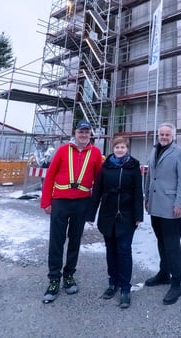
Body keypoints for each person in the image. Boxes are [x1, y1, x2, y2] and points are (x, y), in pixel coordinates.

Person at [40, 120, 103, 304]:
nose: (84, 135)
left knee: (75, 241)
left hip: (82, 203)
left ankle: (69, 275)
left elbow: (99, 181)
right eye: (81, 131)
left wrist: (93, 209)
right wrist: (46, 202)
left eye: (87, 132)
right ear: (75, 133)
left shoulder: (96, 153)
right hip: (60, 202)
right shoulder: (63, 150)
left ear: (90, 134)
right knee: (56, 242)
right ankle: (53, 279)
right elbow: (50, 175)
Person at [87, 136, 143, 309]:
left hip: (126, 216)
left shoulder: (133, 166)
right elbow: (97, 190)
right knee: (111, 250)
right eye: (117, 147)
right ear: (113, 148)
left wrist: (138, 216)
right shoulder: (106, 166)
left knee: (124, 250)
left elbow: (138, 192)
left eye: (123, 147)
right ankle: (113, 283)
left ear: (127, 148)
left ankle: (125, 288)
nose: (120, 150)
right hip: (107, 215)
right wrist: (91, 213)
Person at [144, 122, 181, 305]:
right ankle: (164, 273)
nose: (163, 137)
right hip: (155, 205)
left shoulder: (179, 153)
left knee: (172, 244)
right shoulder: (154, 150)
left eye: (167, 135)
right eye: (161, 134)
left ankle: (176, 282)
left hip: (171, 206)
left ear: (173, 136)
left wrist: (179, 203)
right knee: (161, 241)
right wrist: (146, 198)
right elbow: (149, 176)